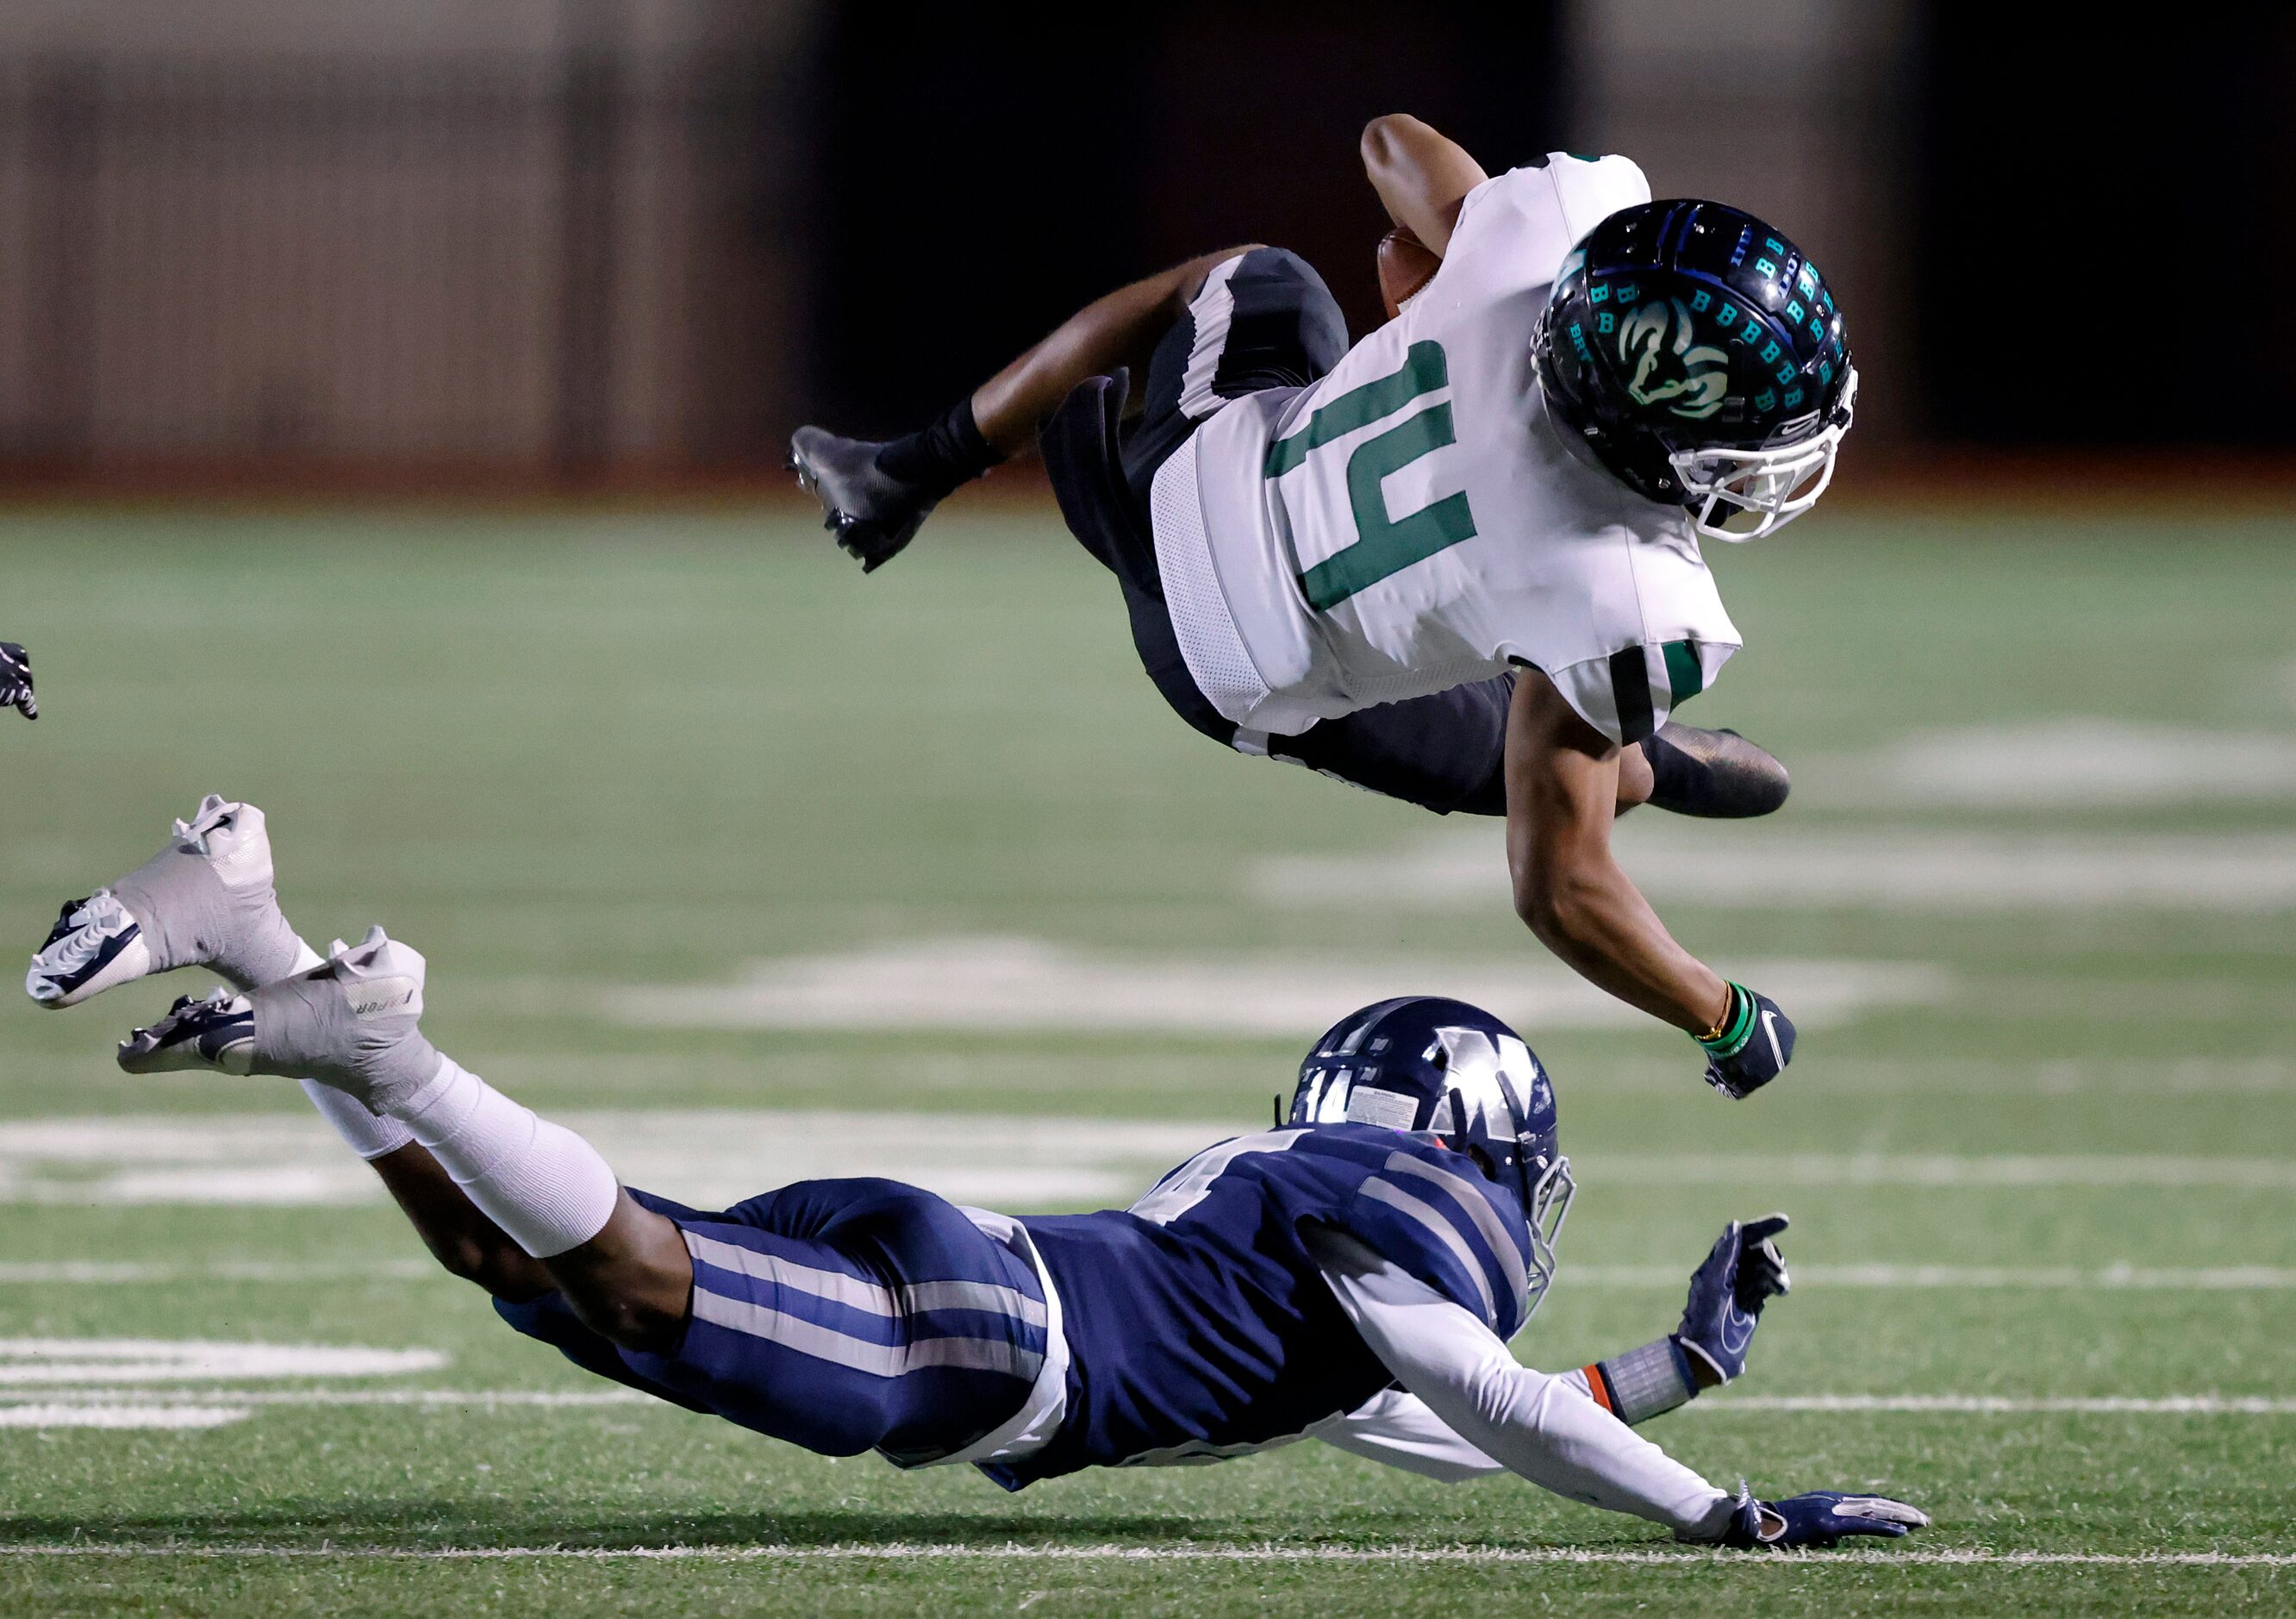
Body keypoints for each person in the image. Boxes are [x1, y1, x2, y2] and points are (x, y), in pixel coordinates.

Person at [28, 797, 1925, 1550]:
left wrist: (1681, 1378)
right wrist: (1719, 1515)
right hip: (981, 1337)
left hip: (971, 1283)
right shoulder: (1387, 1231)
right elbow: (1483, 1391)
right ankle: (392, 1036)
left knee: (523, 1275)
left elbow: (1436, 1422)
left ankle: (266, 937)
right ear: (1470, 1137)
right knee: (608, 1278)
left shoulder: (1314, 1249)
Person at [793, 116, 1854, 1102]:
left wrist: (1456, 265)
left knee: (1259, 280)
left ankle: (908, 471)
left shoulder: (1543, 243)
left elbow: (1391, 139)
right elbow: (1560, 888)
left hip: (1183, 485)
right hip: (1238, 670)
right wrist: (1724, 1017)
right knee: (1571, 764)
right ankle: (1642, 756)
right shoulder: (1629, 591)